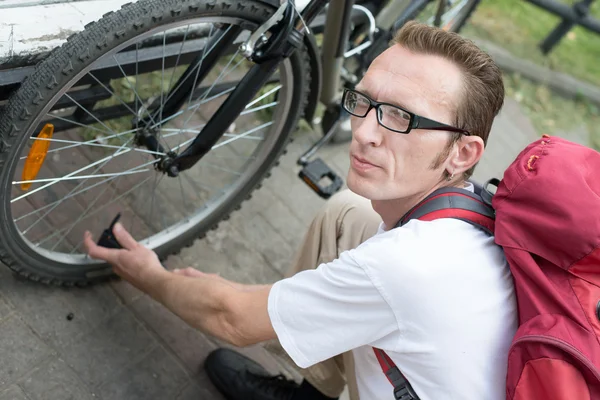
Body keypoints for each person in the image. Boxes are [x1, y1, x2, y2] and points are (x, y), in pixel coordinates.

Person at [84, 21, 518, 400]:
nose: (364, 131)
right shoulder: (471, 214)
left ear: (462, 153)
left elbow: (229, 317)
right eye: (364, 103)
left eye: (401, 119)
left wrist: (149, 274)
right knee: (348, 213)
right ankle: (314, 392)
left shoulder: (406, 267)